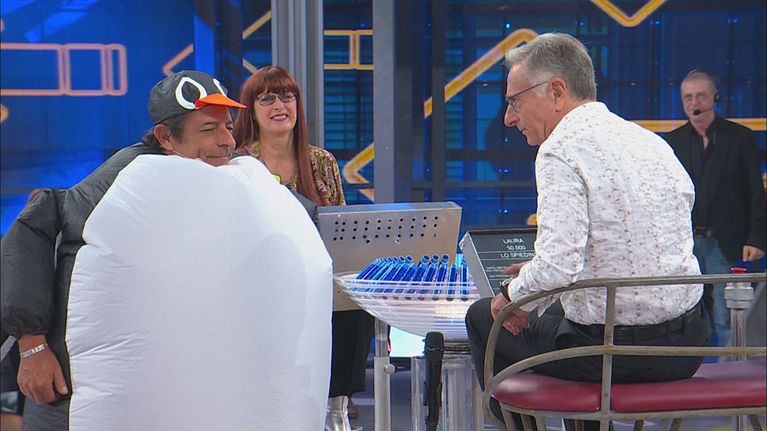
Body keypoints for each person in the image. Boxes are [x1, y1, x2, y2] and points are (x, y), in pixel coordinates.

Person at [464, 33, 710, 430]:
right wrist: (539, 277)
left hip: (616, 355)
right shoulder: (651, 143)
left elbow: (557, 268)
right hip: (688, 345)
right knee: (565, 313)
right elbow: (638, 243)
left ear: (556, 92)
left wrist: (511, 297)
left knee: (485, 315)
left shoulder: (560, 149)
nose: (509, 118)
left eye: (514, 101)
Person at [0, 70, 247, 430]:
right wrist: (32, 345)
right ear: (165, 137)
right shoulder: (129, 178)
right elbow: (33, 228)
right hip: (73, 389)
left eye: (228, 126)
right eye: (209, 129)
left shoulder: (208, 177)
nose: (227, 141)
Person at [233, 65, 373, 431]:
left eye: (287, 97)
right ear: (251, 110)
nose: (280, 106)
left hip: (317, 277)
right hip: (260, 281)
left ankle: (336, 408)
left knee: (353, 302)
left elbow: (341, 233)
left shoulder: (321, 162)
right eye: (267, 99)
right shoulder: (239, 164)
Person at [664, 70, 766, 346]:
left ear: (715, 98)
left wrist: (757, 238)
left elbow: (755, 193)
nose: (694, 102)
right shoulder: (672, 143)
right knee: (686, 315)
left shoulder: (739, 138)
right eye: (688, 97)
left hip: (726, 243)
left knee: (726, 316)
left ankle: (734, 367)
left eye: (700, 96)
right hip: (686, 245)